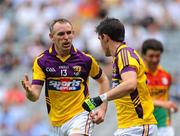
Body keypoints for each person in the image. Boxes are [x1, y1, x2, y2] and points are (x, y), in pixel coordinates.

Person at [21, 18, 109, 136]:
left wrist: (102, 109)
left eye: (69, 32)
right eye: (61, 34)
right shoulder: (42, 61)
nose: (66, 37)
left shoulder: (85, 59)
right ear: (51, 37)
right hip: (56, 123)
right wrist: (29, 92)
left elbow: (103, 80)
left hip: (81, 115)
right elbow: (34, 96)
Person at [82, 17, 158, 136]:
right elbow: (121, 87)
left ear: (105, 38)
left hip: (138, 126)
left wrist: (99, 99)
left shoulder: (124, 53)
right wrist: (102, 109)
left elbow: (130, 84)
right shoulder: (119, 57)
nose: (100, 44)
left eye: (99, 39)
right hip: (129, 126)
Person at [141, 39, 178, 136]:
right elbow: (138, 100)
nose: (154, 59)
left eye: (157, 56)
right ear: (144, 56)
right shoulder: (139, 75)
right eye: (151, 56)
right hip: (144, 125)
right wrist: (162, 104)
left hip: (164, 125)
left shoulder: (166, 75)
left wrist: (170, 106)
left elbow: (166, 97)